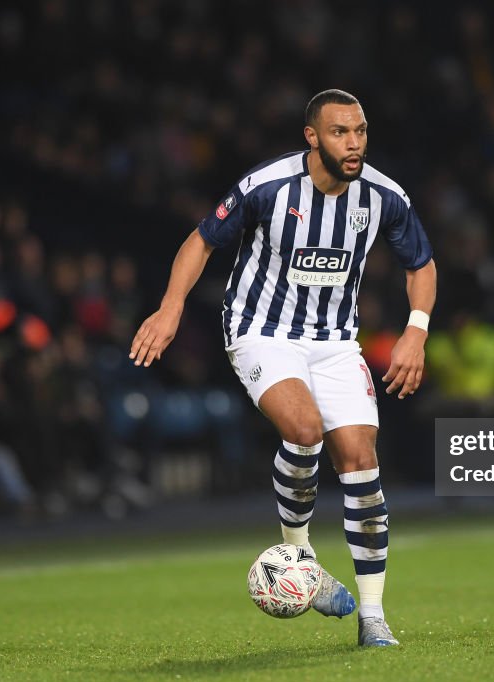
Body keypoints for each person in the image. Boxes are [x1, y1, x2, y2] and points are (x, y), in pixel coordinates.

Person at [129, 89, 436, 648]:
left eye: (361, 131)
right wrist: (170, 308)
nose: (354, 143)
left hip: (337, 341)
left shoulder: (384, 196)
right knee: (303, 429)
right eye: (340, 132)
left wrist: (416, 330)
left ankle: (373, 618)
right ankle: (304, 563)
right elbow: (200, 241)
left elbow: (421, 263)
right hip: (261, 330)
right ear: (312, 136)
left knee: (362, 463)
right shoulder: (267, 187)